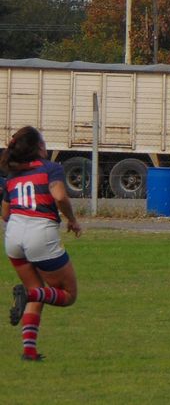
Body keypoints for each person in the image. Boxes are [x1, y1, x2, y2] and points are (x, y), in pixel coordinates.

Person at [3, 126, 83, 361]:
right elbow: (59, 196)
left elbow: (5, 213)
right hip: (40, 234)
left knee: (38, 291)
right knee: (68, 295)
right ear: (39, 147)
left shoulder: (13, 174)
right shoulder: (51, 168)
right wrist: (73, 220)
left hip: (13, 236)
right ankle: (28, 296)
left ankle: (29, 351)